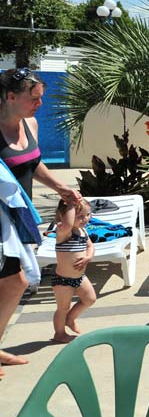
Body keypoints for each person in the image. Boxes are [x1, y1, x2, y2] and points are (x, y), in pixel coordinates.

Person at [0, 67, 81, 378]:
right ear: (10, 96)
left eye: (41, 98)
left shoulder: (29, 124)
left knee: (12, 283)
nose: (39, 105)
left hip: (17, 220)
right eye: (34, 98)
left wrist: (60, 187)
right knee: (16, 282)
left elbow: (31, 162)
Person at [51, 199, 95, 343]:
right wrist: (70, 203)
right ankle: (59, 333)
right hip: (63, 280)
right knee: (62, 308)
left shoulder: (83, 231)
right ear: (64, 216)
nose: (85, 219)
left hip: (80, 277)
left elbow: (90, 246)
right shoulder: (63, 232)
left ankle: (70, 318)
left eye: (88, 214)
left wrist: (88, 257)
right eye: (80, 216)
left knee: (90, 299)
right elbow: (68, 224)